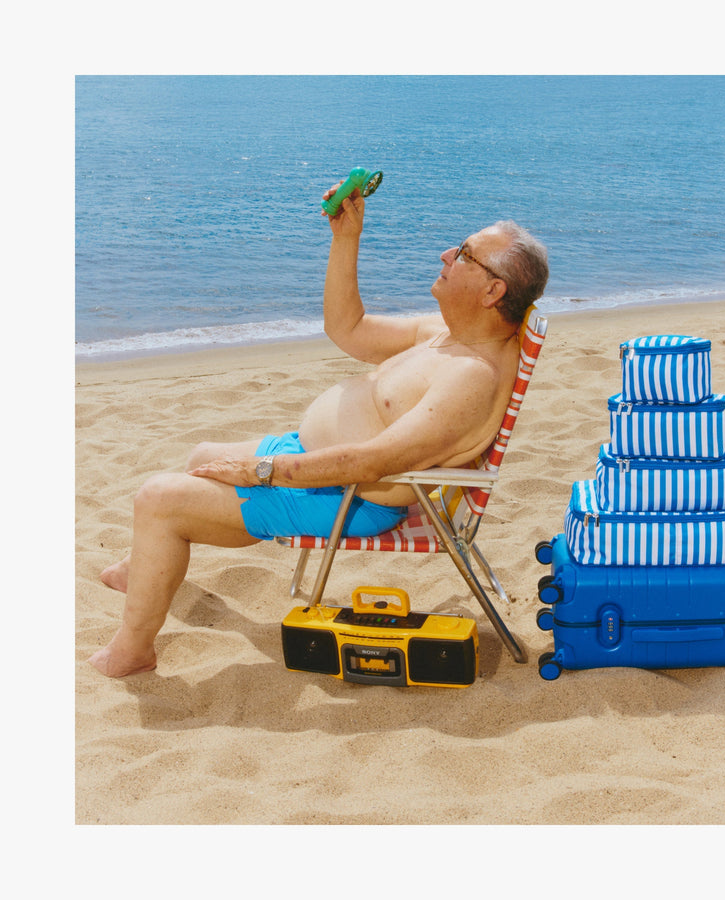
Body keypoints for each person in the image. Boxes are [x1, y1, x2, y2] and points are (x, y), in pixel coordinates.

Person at [88, 182, 549, 677]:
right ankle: (143, 572)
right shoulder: (449, 336)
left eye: (463, 254)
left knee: (157, 499)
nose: (445, 254)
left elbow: (372, 462)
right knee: (201, 456)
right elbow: (346, 328)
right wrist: (346, 237)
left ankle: (132, 653)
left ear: (492, 289)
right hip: (325, 470)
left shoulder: (471, 377)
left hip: (349, 497)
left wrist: (263, 470)